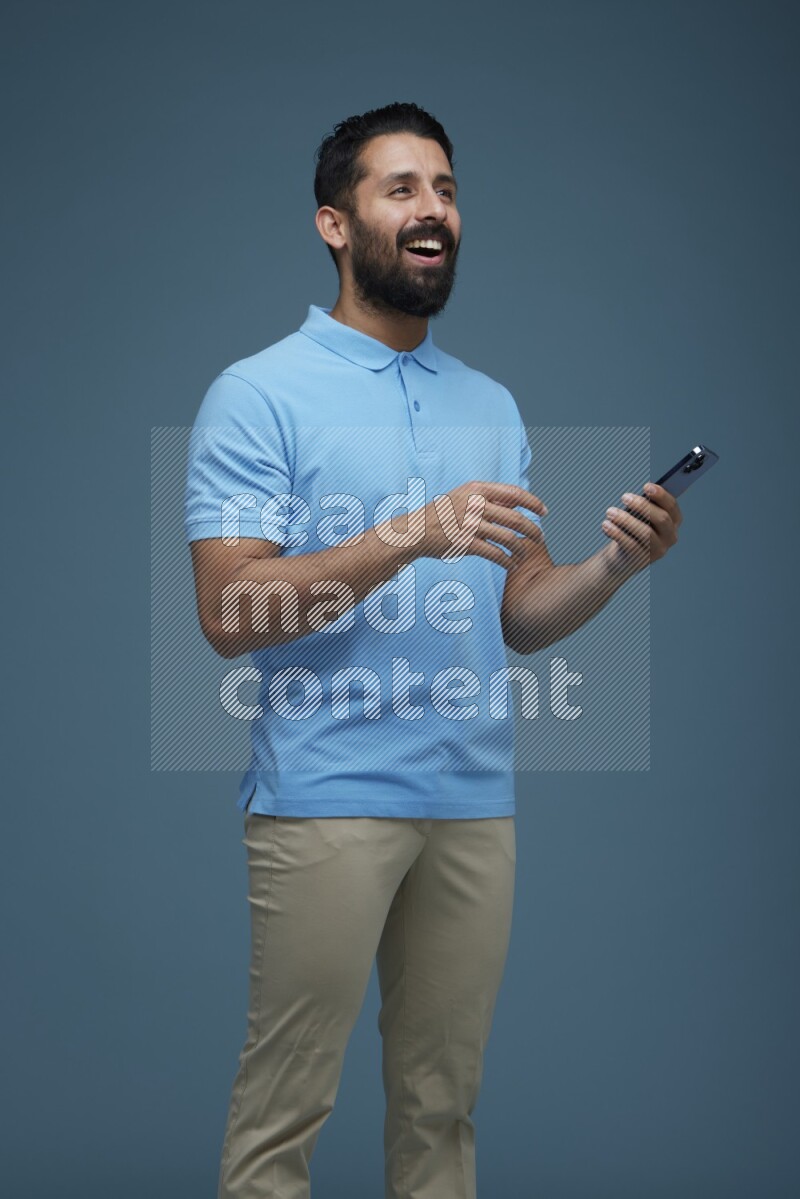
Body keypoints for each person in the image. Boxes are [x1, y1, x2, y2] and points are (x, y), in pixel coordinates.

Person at [184, 101, 682, 1199]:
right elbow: (229, 614)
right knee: (283, 1117)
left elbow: (520, 609)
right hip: (321, 800)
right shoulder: (257, 394)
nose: (432, 210)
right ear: (333, 222)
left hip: (471, 801)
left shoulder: (488, 402)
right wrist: (411, 531)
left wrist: (612, 568)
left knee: (442, 1108)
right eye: (400, 187)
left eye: (446, 189)